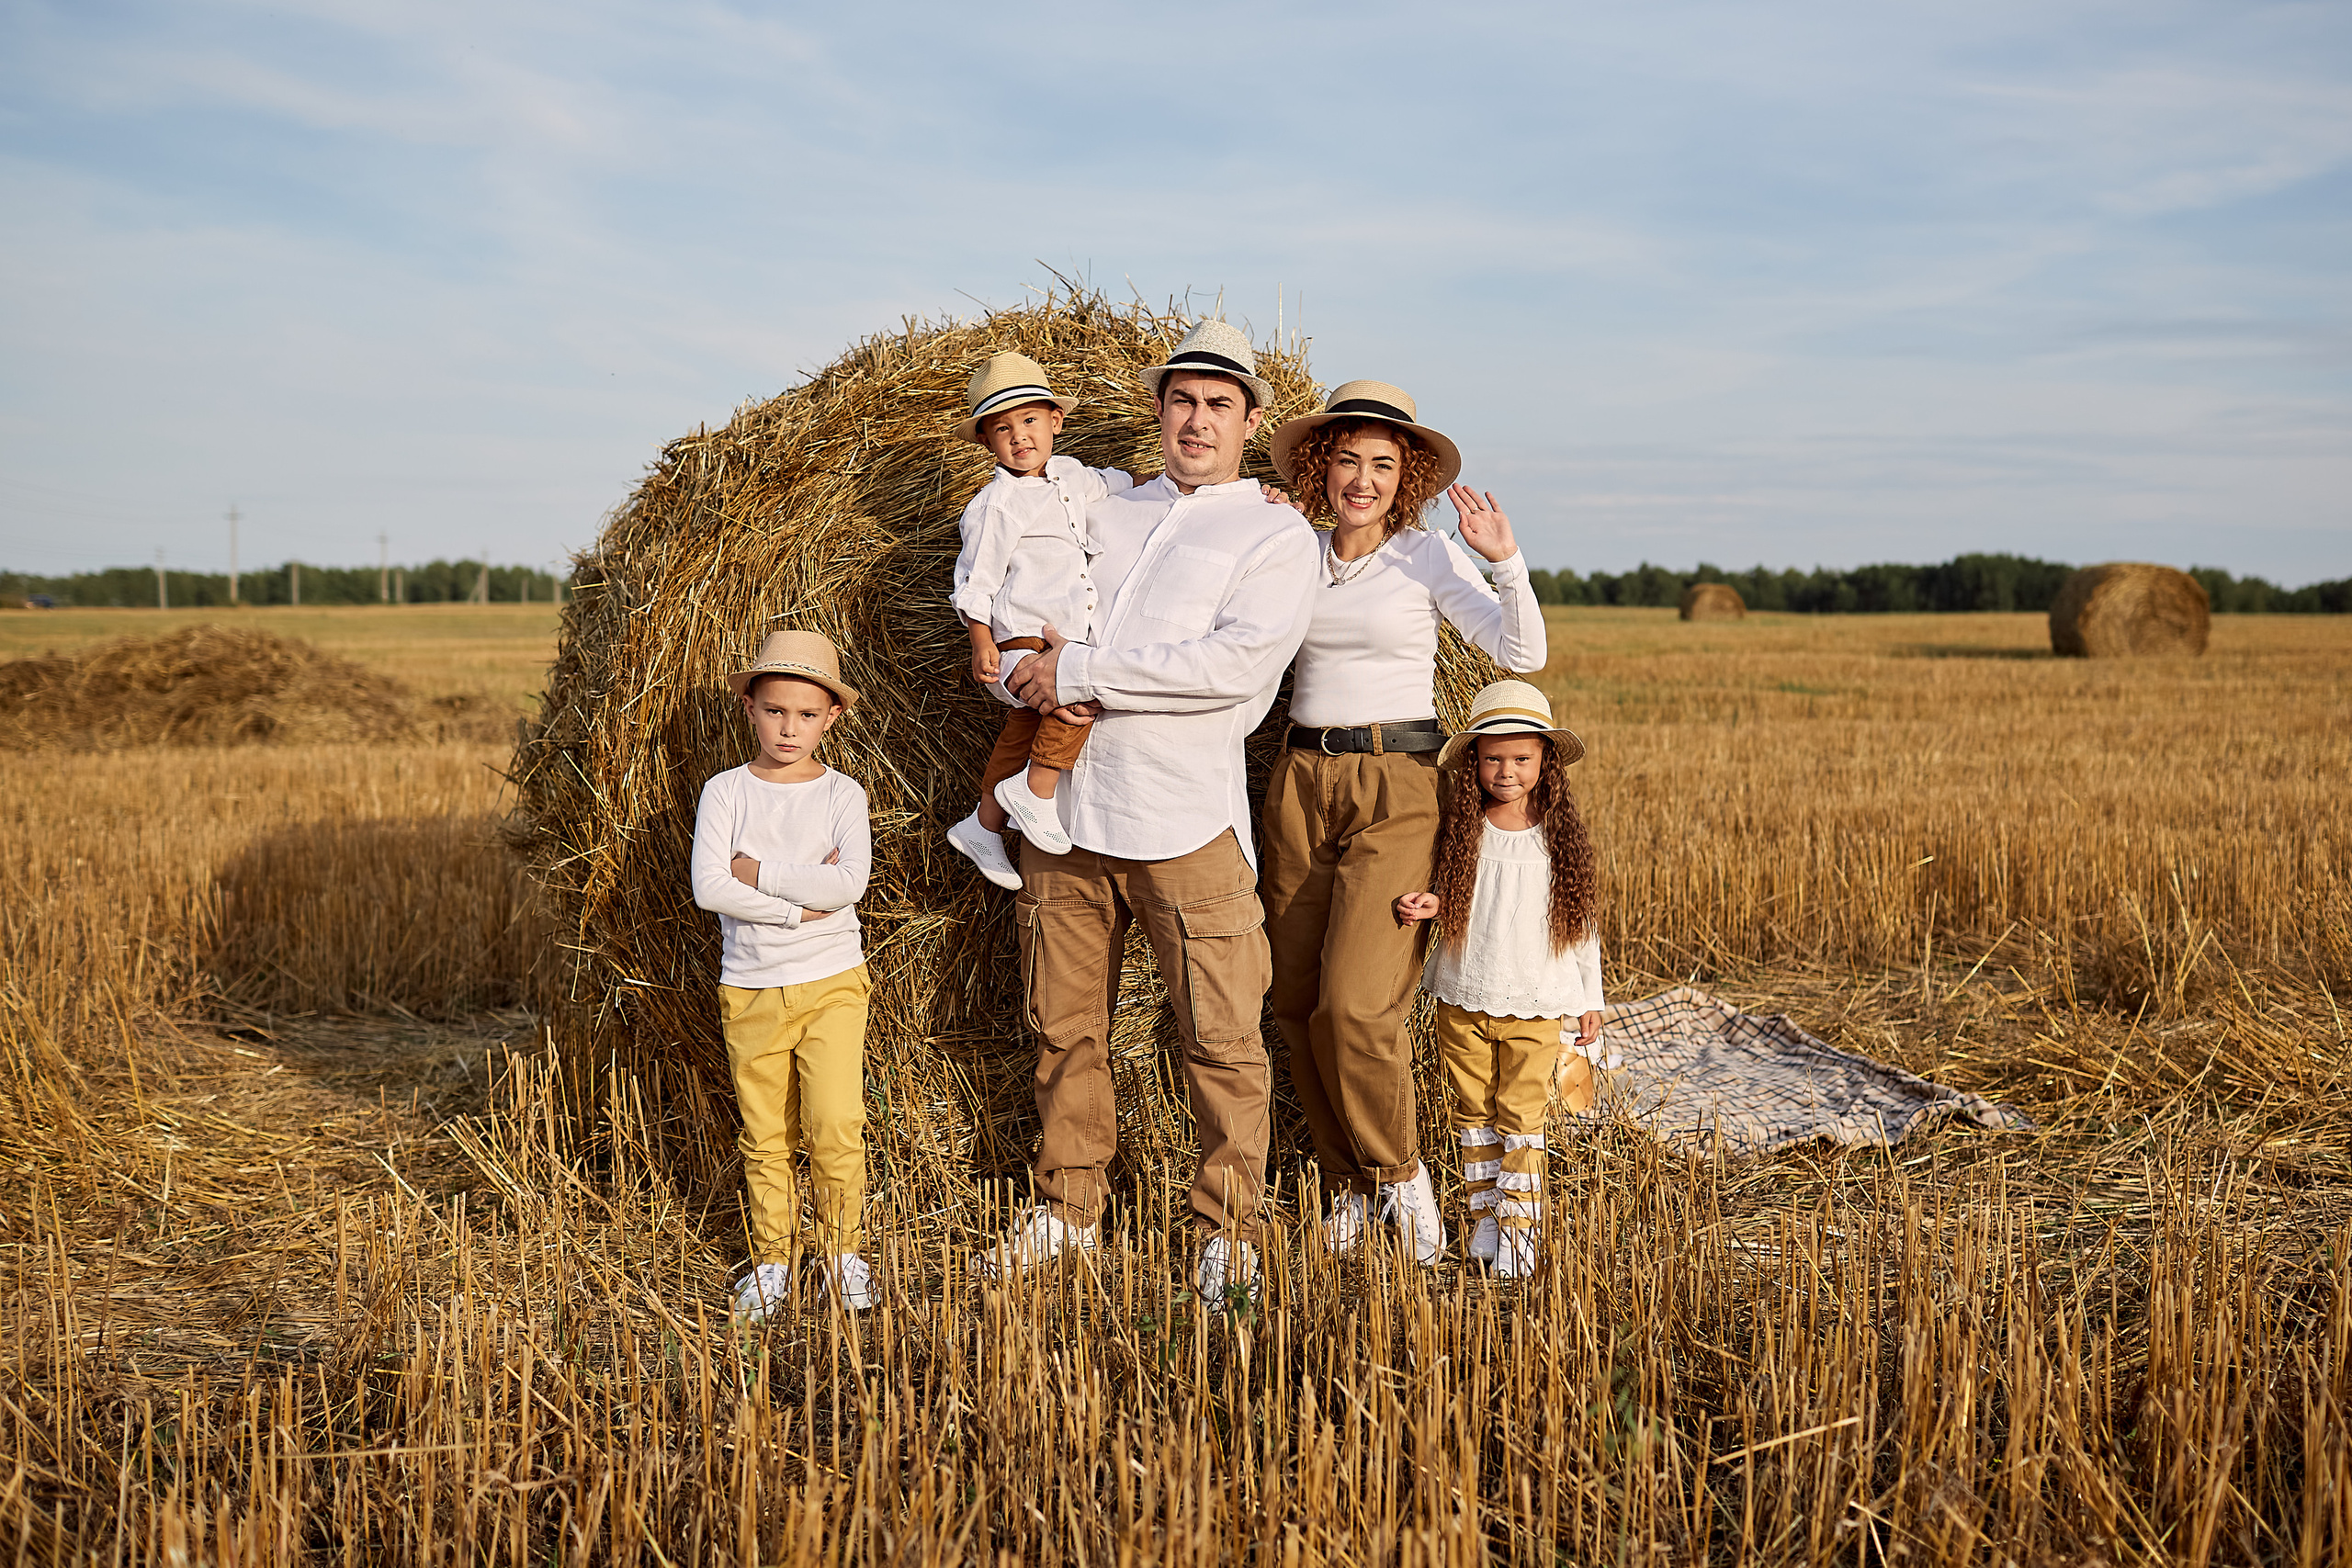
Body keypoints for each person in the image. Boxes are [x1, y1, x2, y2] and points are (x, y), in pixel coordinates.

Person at [975, 318, 1318, 1300]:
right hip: (1066, 815)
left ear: (1252, 420)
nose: (1196, 420)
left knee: (1219, 1035)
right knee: (1062, 1026)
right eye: (1181, 400)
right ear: (1157, 410)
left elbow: (1230, 667)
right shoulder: (1102, 508)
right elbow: (1025, 606)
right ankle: (1068, 1208)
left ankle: (1229, 1230)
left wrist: (1077, 669)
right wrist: (1018, 676)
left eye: (1218, 403)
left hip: (1185, 820)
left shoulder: (1272, 532)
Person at [1257, 381, 1547, 1264]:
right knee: (1297, 1003)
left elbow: (1521, 653)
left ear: (1405, 476)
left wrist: (1504, 558)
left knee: (1357, 1003)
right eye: (1347, 458)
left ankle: (1400, 1173)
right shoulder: (1292, 551)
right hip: (1301, 778)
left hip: (1397, 785)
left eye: (1383, 464)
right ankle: (1347, 1184)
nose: (1363, 479)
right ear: (1321, 463)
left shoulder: (1423, 558)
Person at [689, 629, 878, 1318]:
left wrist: (760, 873)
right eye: (775, 711)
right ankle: (773, 1260)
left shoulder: (843, 794)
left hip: (833, 982)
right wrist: (799, 909)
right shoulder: (726, 791)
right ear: (749, 708)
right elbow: (710, 887)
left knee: (834, 1122)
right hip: (750, 985)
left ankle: (841, 1253)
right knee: (765, 1132)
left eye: (805, 713)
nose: (788, 726)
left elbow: (848, 884)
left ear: (832, 716)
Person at [1395, 681, 1605, 1278]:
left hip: (1537, 1001)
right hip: (1463, 993)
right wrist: (1429, 905)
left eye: (1521, 758)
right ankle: (1485, 1215)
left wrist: (1590, 998)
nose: (1506, 771)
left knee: (1521, 1115)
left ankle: (1520, 1230)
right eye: (1492, 757)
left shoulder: (1557, 837)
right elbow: (1453, 890)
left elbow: (1582, 925)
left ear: (1546, 761)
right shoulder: (1465, 825)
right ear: (1474, 761)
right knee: (1472, 1111)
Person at [944, 352, 1136, 890]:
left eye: (1029, 420)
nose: (1019, 436)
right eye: (1002, 428)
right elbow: (975, 580)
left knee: (1025, 724)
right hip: (1018, 644)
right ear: (987, 442)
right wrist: (980, 640)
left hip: (1059, 642)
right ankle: (1037, 790)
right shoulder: (995, 505)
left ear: (1056, 420)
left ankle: (983, 825)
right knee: (1075, 702)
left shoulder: (1075, 477)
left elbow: (1130, 485)